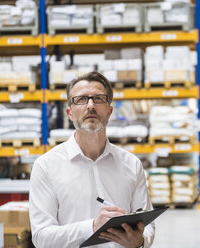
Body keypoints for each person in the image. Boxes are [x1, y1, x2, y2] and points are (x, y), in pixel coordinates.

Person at [29, 72, 154, 248]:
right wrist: (92, 227)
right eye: (80, 99)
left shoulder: (131, 164)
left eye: (98, 98)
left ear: (109, 111)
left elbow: (147, 227)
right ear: (69, 113)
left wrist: (140, 241)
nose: (90, 105)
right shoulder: (47, 166)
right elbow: (41, 238)